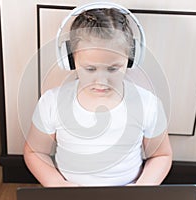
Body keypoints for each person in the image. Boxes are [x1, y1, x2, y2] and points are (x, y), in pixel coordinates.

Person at [23, 6, 172, 187]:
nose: (102, 80)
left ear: (132, 59)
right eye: (90, 69)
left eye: (113, 68)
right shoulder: (52, 102)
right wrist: (57, 185)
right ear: (69, 60)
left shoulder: (147, 104)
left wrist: (142, 189)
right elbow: (35, 152)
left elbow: (161, 155)